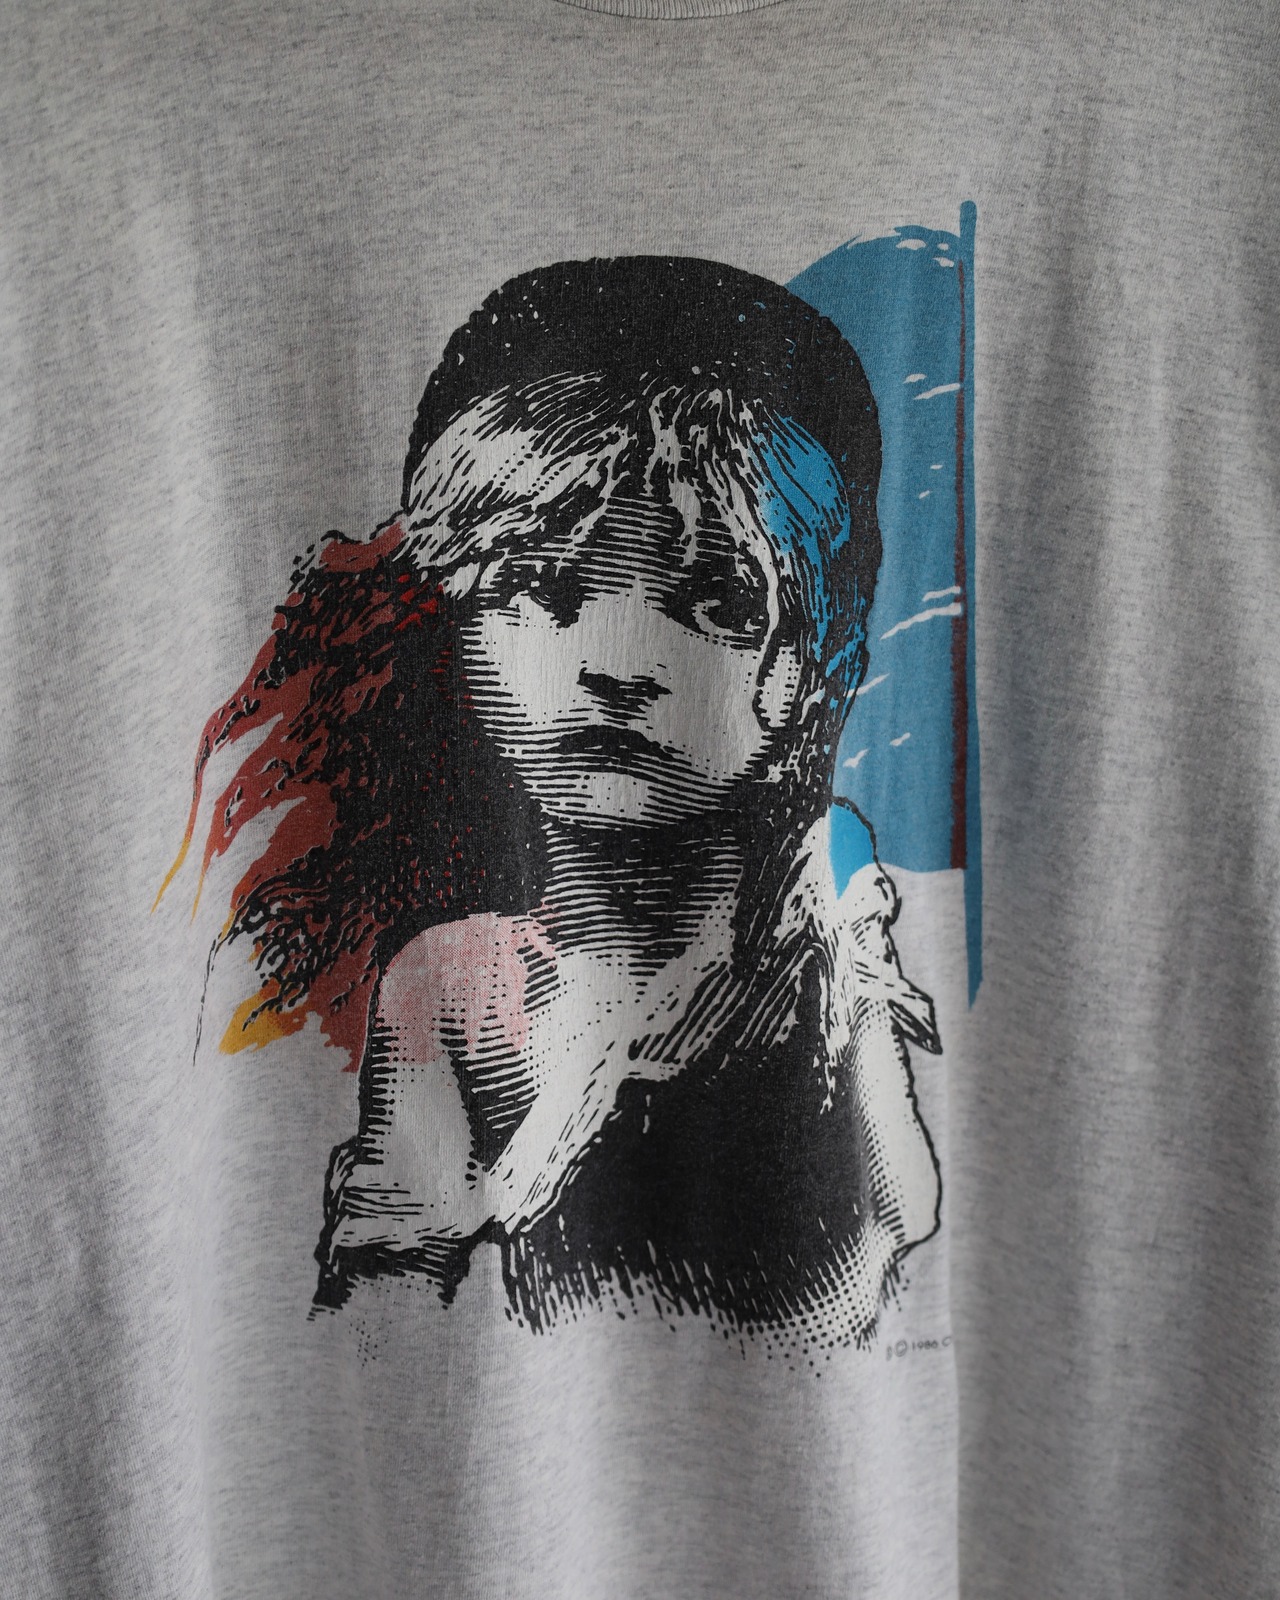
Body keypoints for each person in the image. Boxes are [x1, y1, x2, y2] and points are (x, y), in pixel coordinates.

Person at [172, 256, 942, 1347]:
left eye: (716, 600)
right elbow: (387, 1299)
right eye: (541, 587)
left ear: (817, 664)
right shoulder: (450, 983)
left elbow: (903, 1208)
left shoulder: (821, 928)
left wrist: (846, 965)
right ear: (456, 618)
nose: (618, 665)